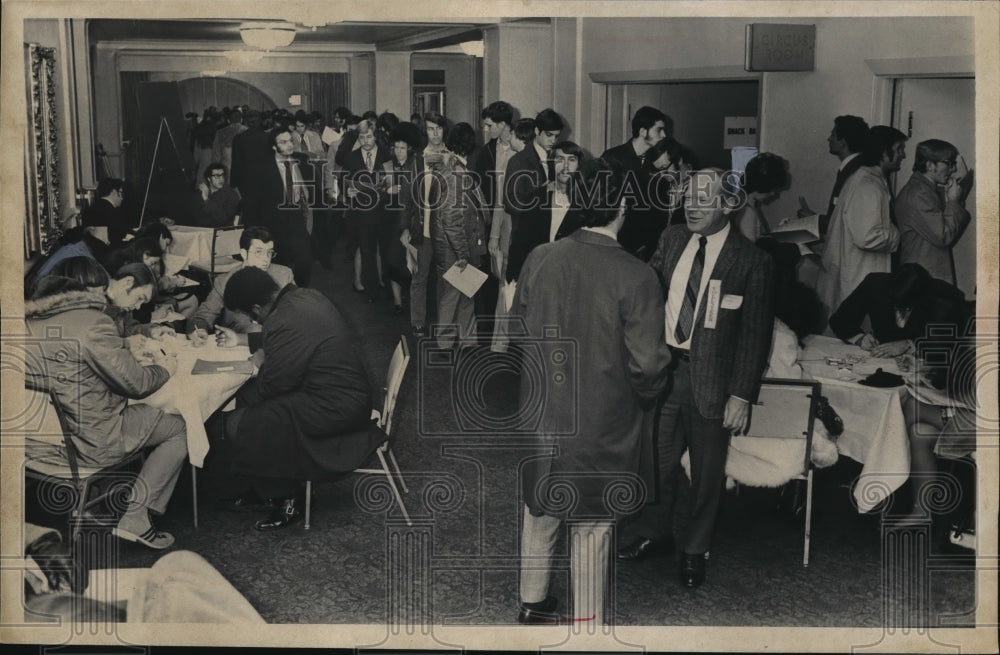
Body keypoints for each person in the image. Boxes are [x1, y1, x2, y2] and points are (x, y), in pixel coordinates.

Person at [512, 158, 671, 625]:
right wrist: (645, 400)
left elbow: (519, 327)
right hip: (602, 417)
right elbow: (648, 366)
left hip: (543, 411)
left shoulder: (541, 255)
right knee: (593, 520)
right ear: (623, 205)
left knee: (541, 505)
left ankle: (532, 600)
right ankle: (586, 622)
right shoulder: (638, 275)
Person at [618, 168, 774, 589]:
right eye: (689, 196)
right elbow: (644, 294)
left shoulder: (752, 261)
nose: (693, 205)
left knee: (707, 474)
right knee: (657, 463)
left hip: (714, 385)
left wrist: (741, 395)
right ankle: (655, 533)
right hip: (665, 374)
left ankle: (695, 549)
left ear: (728, 204)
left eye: (705, 199)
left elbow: (755, 336)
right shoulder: (671, 240)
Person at [24, 261, 185, 550]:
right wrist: (167, 368)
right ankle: (135, 516)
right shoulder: (93, 322)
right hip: (90, 443)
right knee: (179, 427)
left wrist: (122, 344)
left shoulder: (28, 322)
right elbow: (137, 385)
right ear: (89, 289)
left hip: (35, 444)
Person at [212, 267, 384, 531]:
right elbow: (290, 336)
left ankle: (287, 497)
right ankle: (262, 483)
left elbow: (273, 385)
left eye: (250, 316)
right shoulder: (303, 297)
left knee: (247, 421)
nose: (254, 322)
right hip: (340, 392)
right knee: (246, 397)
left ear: (257, 308)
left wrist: (260, 360)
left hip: (338, 407)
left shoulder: (283, 320)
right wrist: (244, 340)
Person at [815, 125, 904, 319]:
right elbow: (868, 238)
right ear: (883, 152)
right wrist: (896, 235)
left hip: (857, 273)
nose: (902, 155)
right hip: (858, 276)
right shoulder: (868, 185)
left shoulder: (867, 180)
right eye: (898, 149)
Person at [431, 122, 489, 349]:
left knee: (466, 294)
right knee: (453, 297)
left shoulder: (450, 168)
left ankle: (467, 340)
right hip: (456, 247)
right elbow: (452, 220)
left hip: (456, 245)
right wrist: (463, 253)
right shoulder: (455, 174)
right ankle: (445, 344)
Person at [829, 263, 966, 356]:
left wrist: (910, 345)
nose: (902, 313)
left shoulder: (944, 295)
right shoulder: (875, 284)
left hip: (920, 367)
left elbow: (954, 342)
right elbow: (840, 320)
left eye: (908, 308)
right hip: (879, 362)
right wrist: (860, 338)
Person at [187, 226, 295, 337]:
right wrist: (198, 330)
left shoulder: (284, 274)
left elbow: (298, 311)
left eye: (269, 253)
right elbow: (203, 315)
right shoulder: (224, 281)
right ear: (244, 253)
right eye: (258, 252)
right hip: (239, 343)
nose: (266, 259)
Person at [895, 139, 973, 286]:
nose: (954, 169)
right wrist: (953, 202)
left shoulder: (926, 189)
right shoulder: (919, 194)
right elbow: (944, 236)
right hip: (923, 277)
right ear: (930, 165)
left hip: (926, 274)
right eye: (949, 163)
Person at [601, 106, 671, 259]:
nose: (663, 135)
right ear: (642, 131)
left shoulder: (655, 161)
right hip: (619, 245)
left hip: (647, 247)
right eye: (659, 130)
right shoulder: (613, 158)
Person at [503, 108, 564, 286]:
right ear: (536, 131)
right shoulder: (519, 161)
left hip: (552, 241)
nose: (553, 141)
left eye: (556, 136)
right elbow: (511, 202)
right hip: (527, 241)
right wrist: (542, 193)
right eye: (549, 135)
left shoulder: (558, 158)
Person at [408, 112, 449, 337]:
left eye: (439, 129)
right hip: (422, 229)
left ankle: (444, 322)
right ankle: (417, 321)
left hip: (444, 231)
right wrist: (405, 228)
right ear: (426, 131)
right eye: (431, 129)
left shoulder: (451, 157)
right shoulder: (417, 159)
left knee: (444, 281)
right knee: (420, 277)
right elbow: (407, 196)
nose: (435, 134)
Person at [342, 119, 391, 301]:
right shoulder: (351, 157)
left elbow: (393, 183)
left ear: (375, 135)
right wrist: (349, 192)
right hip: (361, 213)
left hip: (384, 211)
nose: (366, 141)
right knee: (366, 250)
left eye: (369, 136)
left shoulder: (386, 155)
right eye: (362, 137)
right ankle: (371, 290)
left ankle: (382, 281)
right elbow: (344, 183)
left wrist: (386, 191)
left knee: (384, 249)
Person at [798, 115, 870, 239]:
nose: (829, 139)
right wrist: (813, 218)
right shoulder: (851, 167)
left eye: (833, 135)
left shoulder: (854, 171)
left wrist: (813, 220)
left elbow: (843, 224)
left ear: (842, 142)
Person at [378, 122, 422, 314]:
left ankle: (414, 300)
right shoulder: (386, 167)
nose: (399, 151)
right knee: (392, 259)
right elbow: (377, 193)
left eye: (403, 148)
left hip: (412, 221)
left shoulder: (417, 167)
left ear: (410, 149)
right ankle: (397, 302)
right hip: (389, 219)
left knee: (411, 261)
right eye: (396, 147)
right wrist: (387, 191)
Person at [732, 152, 789, 243]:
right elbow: (751, 250)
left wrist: (779, 230)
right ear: (762, 186)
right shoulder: (748, 212)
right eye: (772, 189)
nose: (773, 194)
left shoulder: (741, 199)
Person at [81, 178, 130, 247]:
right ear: (114, 192)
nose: (122, 198)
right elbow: (117, 238)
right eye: (121, 193)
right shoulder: (114, 212)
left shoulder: (89, 210)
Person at [195, 163, 241, 227]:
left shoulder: (231, 194)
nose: (221, 179)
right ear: (209, 178)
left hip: (222, 232)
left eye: (222, 175)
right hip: (201, 230)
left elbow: (222, 219)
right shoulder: (202, 192)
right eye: (217, 176)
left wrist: (206, 200)